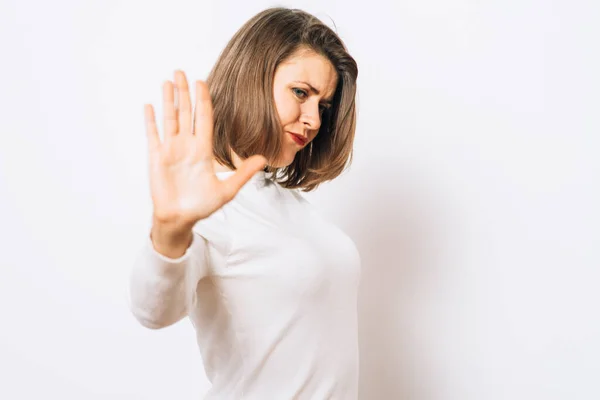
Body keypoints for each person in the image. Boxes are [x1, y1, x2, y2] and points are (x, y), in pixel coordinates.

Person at [129, 7, 361, 399]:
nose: (314, 121)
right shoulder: (208, 207)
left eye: (322, 105)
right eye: (301, 93)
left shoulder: (289, 205)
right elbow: (153, 310)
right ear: (251, 80)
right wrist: (169, 230)